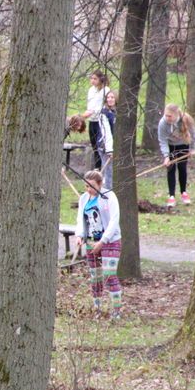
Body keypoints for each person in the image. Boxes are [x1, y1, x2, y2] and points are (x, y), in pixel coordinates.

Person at [74, 170, 123, 318]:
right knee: (95, 277)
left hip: (109, 241)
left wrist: (103, 241)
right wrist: (79, 235)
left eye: (92, 186)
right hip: (91, 241)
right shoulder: (84, 198)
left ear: (100, 184)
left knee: (109, 275)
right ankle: (97, 309)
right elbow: (80, 219)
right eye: (86, 186)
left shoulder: (109, 196)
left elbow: (114, 220)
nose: (88, 189)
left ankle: (116, 311)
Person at [157, 103, 195, 208]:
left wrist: (193, 148)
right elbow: (162, 141)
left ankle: (183, 192)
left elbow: (194, 135)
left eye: (169, 116)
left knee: (182, 168)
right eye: (166, 115)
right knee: (171, 168)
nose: (167, 118)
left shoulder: (186, 119)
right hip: (171, 146)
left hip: (183, 144)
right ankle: (171, 196)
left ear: (176, 115)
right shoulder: (163, 123)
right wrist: (166, 156)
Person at [81, 70, 111, 169]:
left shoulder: (106, 90)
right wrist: (86, 114)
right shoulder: (91, 90)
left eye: (95, 79)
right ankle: (97, 169)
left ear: (101, 79)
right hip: (92, 120)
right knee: (94, 145)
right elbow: (90, 105)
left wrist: (92, 112)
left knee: (100, 146)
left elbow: (103, 106)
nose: (92, 81)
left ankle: (102, 168)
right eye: (91, 78)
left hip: (101, 121)